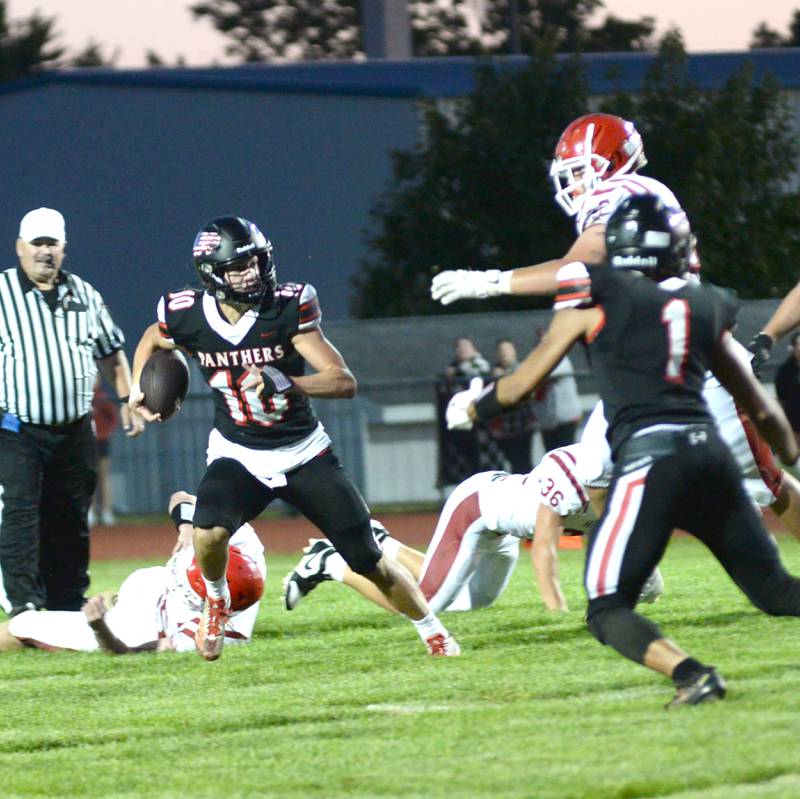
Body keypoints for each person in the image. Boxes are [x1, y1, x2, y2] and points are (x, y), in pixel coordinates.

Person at [447, 194, 800, 707]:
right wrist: (789, 454)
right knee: (775, 591)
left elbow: (521, 385)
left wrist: (473, 409)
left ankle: (693, 676)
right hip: (711, 458)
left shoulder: (594, 300)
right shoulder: (703, 307)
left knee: (608, 608)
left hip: (651, 462)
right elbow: (758, 406)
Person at [430, 111, 800, 542]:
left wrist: (490, 282)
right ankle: (630, 575)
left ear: (609, 162)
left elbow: (578, 266)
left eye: (577, 171)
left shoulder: (626, 190)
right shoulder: (633, 202)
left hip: (693, 366)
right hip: (642, 369)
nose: (570, 184)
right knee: (596, 474)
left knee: (768, 488)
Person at [129, 216, 459, 661]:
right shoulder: (185, 313)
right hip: (239, 452)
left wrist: (287, 382)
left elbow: (343, 380)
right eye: (239, 266)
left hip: (303, 453)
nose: (253, 273)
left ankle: (433, 631)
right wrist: (136, 387)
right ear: (212, 274)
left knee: (369, 561)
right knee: (207, 531)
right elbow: (153, 338)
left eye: (256, 262)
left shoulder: (287, 307)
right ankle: (216, 598)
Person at [283, 443, 663, 616]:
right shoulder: (570, 476)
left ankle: (384, 545)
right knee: (426, 605)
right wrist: (558, 613)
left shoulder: (631, 484)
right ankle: (332, 565)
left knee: (472, 604)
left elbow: (626, 542)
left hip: (505, 529)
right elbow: (545, 550)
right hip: (477, 510)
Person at [0, 208, 144, 619]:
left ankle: (65, 600)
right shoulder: (1, 292)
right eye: (37, 244)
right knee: (21, 511)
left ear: (64, 248)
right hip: (16, 426)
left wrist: (128, 397)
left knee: (70, 516)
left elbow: (112, 353)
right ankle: (24, 603)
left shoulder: (84, 293)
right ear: (19, 248)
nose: (44, 252)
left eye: (52, 244)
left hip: (74, 427)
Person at [0, 492, 265, 654]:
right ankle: (112, 600)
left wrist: (98, 626)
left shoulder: (207, 636)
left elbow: (126, 652)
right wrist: (186, 527)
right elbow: (181, 497)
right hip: (152, 588)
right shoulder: (243, 543)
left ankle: (103, 609)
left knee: (24, 624)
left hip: (142, 626)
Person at [528, 329, 582, 452]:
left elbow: (545, 374)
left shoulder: (561, 359)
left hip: (565, 418)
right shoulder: (535, 362)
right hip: (547, 420)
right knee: (551, 456)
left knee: (567, 454)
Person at [487, 339, 537, 473]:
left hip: (523, 424)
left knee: (524, 463)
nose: (504, 353)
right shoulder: (491, 373)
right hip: (503, 428)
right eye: (501, 351)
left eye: (507, 350)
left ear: (514, 352)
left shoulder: (522, 369)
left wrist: (503, 377)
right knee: (512, 463)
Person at [90, 376, 120, 526]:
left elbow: (113, 418)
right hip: (87, 442)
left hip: (101, 442)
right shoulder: (82, 399)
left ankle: (107, 511)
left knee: (104, 477)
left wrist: (103, 433)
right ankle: (91, 511)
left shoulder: (102, 398)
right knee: (89, 478)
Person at [774, 332, 800, 445]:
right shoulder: (785, 371)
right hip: (794, 425)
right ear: (793, 348)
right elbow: (782, 399)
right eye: (798, 345)